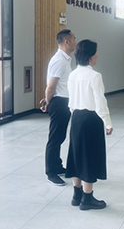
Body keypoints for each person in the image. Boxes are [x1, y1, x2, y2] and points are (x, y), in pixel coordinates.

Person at [65, 40, 113, 210]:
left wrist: (75, 114)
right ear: (91, 56)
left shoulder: (72, 74)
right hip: (91, 119)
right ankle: (87, 198)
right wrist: (107, 122)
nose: (97, 55)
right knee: (89, 157)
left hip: (76, 117)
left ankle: (76, 195)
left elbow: (71, 100)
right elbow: (100, 102)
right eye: (96, 52)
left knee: (76, 154)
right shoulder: (95, 76)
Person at [41, 29, 77, 186]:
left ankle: (57, 165)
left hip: (64, 102)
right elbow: (51, 86)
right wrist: (47, 101)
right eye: (74, 38)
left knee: (60, 137)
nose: (75, 41)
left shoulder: (65, 60)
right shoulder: (59, 61)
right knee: (55, 138)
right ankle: (51, 172)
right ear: (67, 42)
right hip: (59, 102)